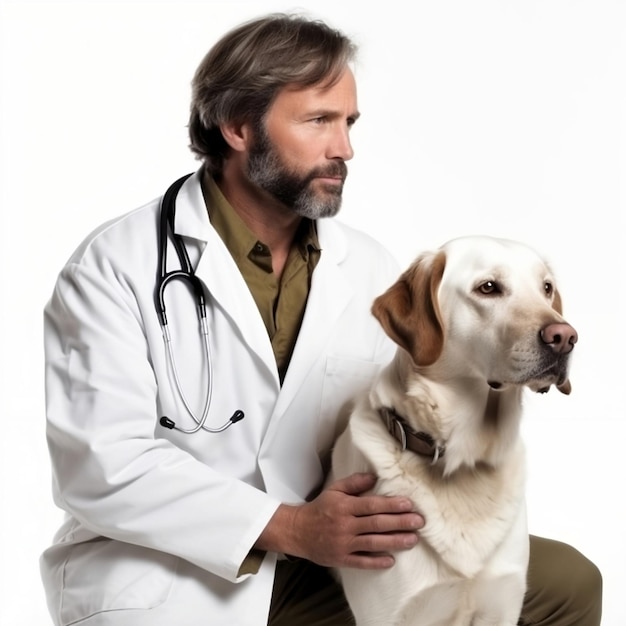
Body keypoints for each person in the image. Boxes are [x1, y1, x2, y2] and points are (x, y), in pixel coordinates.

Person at [40, 12, 602, 626]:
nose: (345, 148)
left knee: (566, 583)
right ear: (237, 126)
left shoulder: (364, 265)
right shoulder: (116, 267)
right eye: (318, 122)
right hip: (170, 576)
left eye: (349, 123)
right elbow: (101, 466)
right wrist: (290, 527)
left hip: (327, 560)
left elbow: (403, 412)